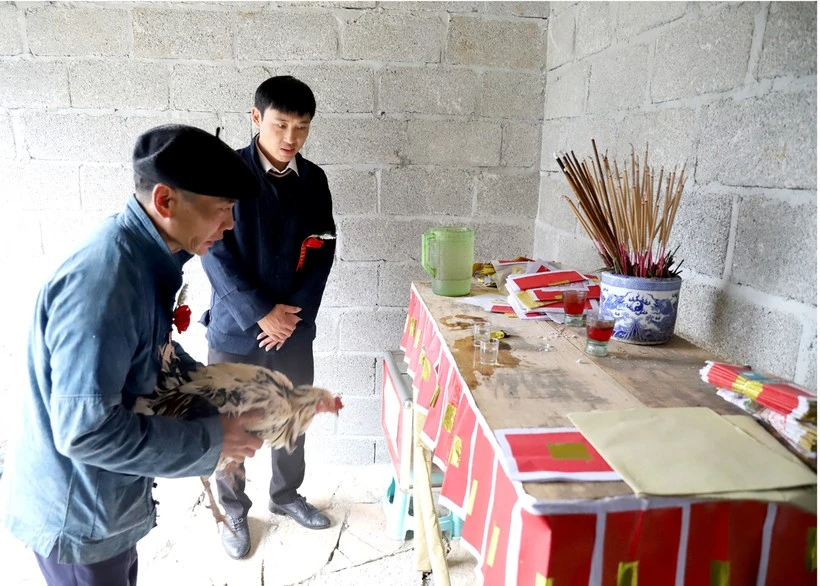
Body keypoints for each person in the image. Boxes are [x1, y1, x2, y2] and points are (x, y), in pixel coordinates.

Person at [0, 124, 265, 585]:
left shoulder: (146, 258)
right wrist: (211, 443)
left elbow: (152, 353)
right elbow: (85, 430)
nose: (230, 225)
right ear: (165, 202)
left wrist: (220, 394)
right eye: (222, 210)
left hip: (109, 502)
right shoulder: (104, 284)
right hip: (79, 514)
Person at [200, 75, 336, 560]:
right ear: (256, 118)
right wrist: (260, 312)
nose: (290, 138)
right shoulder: (224, 173)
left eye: (302, 127)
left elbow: (323, 249)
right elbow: (212, 248)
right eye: (281, 124)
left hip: (294, 327)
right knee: (231, 422)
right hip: (237, 328)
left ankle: (285, 496)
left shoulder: (314, 180)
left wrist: (293, 317)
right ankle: (234, 509)